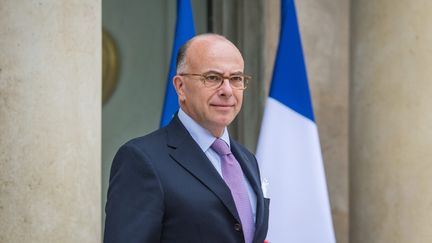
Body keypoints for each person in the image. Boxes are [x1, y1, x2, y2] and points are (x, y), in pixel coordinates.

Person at [104, 33, 269, 243]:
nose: (227, 90)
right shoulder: (141, 159)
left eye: (236, 78)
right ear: (180, 87)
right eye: (213, 78)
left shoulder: (246, 159)